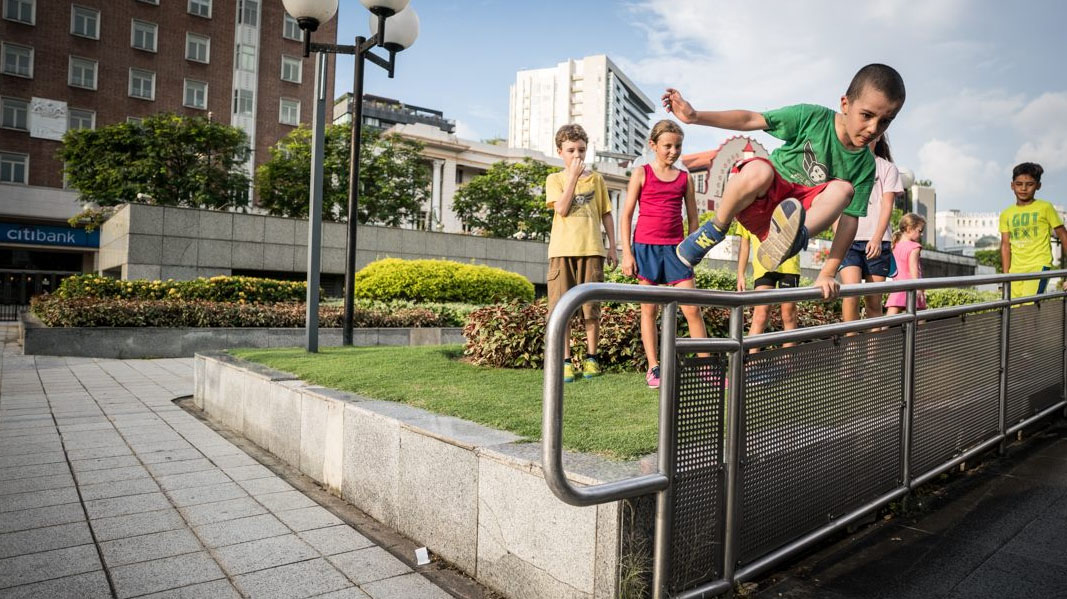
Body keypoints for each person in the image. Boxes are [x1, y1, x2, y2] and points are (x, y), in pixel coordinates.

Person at [664, 63, 906, 299]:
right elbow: (750, 120)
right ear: (845, 104)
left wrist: (827, 273)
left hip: (795, 216)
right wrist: (694, 116)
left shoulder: (865, 164)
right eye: (866, 115)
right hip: (761, 198)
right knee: (759, 168)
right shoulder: (812, 117)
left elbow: (848, 223)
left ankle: (792, 239)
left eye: (885, 121)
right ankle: (715, 228)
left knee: (843, 190)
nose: (873, 128)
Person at [620, 120, 709, 389]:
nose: (673, 151)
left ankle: (705, 368)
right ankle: (653, 367)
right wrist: (627, 254)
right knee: (649, 310)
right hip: (645, 248)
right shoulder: (641, 173)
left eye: (678, 146)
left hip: (677, 251)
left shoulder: (685, 178)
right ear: (653, 145)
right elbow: (626, 216)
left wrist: (694, 250)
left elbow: (693, 220)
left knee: (692, 309)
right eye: (667, 146)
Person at [546, 124, 618, 383]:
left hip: (592, 250)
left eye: (581, 150)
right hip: (562, 251)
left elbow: (606, 214)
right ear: (560, 152)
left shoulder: (597, 179)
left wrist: (612, 245)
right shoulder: (554, 179)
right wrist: (573, 177)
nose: (577, 155)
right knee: (561, 308)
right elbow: (562, 209)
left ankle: (591, 358)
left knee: (591, 309)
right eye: (571, 150)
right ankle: (565, 361)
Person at [840, 136, 902, 322]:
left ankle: (874, 352)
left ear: (879, 135)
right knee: (850, 295)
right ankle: (851, 349)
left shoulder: (887, 168)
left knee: (873, 302)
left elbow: (887, 205)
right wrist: (838, 236)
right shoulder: (845, 165)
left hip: (878, 241)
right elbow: (837, 202)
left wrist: (877, 237)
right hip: (849, 240)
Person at [999, 162, 1067, 299]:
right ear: (1012, 185)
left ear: (1038, 186)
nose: (1023, 188)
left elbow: (1064, 237)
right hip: (1015, 270)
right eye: (1019, 184)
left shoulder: (1045, 207)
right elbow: (1006, 246)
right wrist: (1005, 277)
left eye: (1029, 184)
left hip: (1038, 266)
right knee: (1013, 310)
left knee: (1028, 309)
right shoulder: (1006, 213)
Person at [736, 222, 799, 352]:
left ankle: (788, 364)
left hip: (788, 264)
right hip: (763, 266)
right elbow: (744, 245)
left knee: (788, 314)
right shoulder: (745, 207)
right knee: (760, 314)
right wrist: (740, 274)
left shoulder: (784, 203)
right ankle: (750, 364)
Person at [885, 213, 927, 314]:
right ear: (909, 229)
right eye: (919, 231)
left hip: (898, 287)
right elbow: (914, 268)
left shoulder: (895, 245)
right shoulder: (914, 247)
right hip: (911, 287)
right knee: (920, 321)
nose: (921, 234)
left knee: (887, 321)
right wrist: (918, 288)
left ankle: (879, 330)